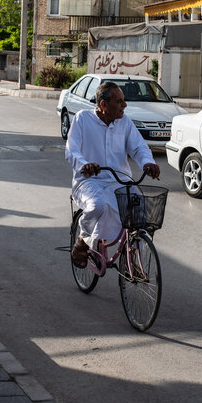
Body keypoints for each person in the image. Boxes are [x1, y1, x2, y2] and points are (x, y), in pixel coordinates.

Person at [65, 81, 160, 268]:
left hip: (120, 181)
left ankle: (136, 261)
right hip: (89, 181)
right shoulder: (83, 119)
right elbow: (72, 150)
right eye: (119, 101)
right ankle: (83, 240)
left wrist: (148, 162)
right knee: (98, 205)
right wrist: (85, 165)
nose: (124, 105)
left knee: (140, 213)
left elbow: (139, 147)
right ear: (103, 105)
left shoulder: (124, 122)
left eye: (124, 101)